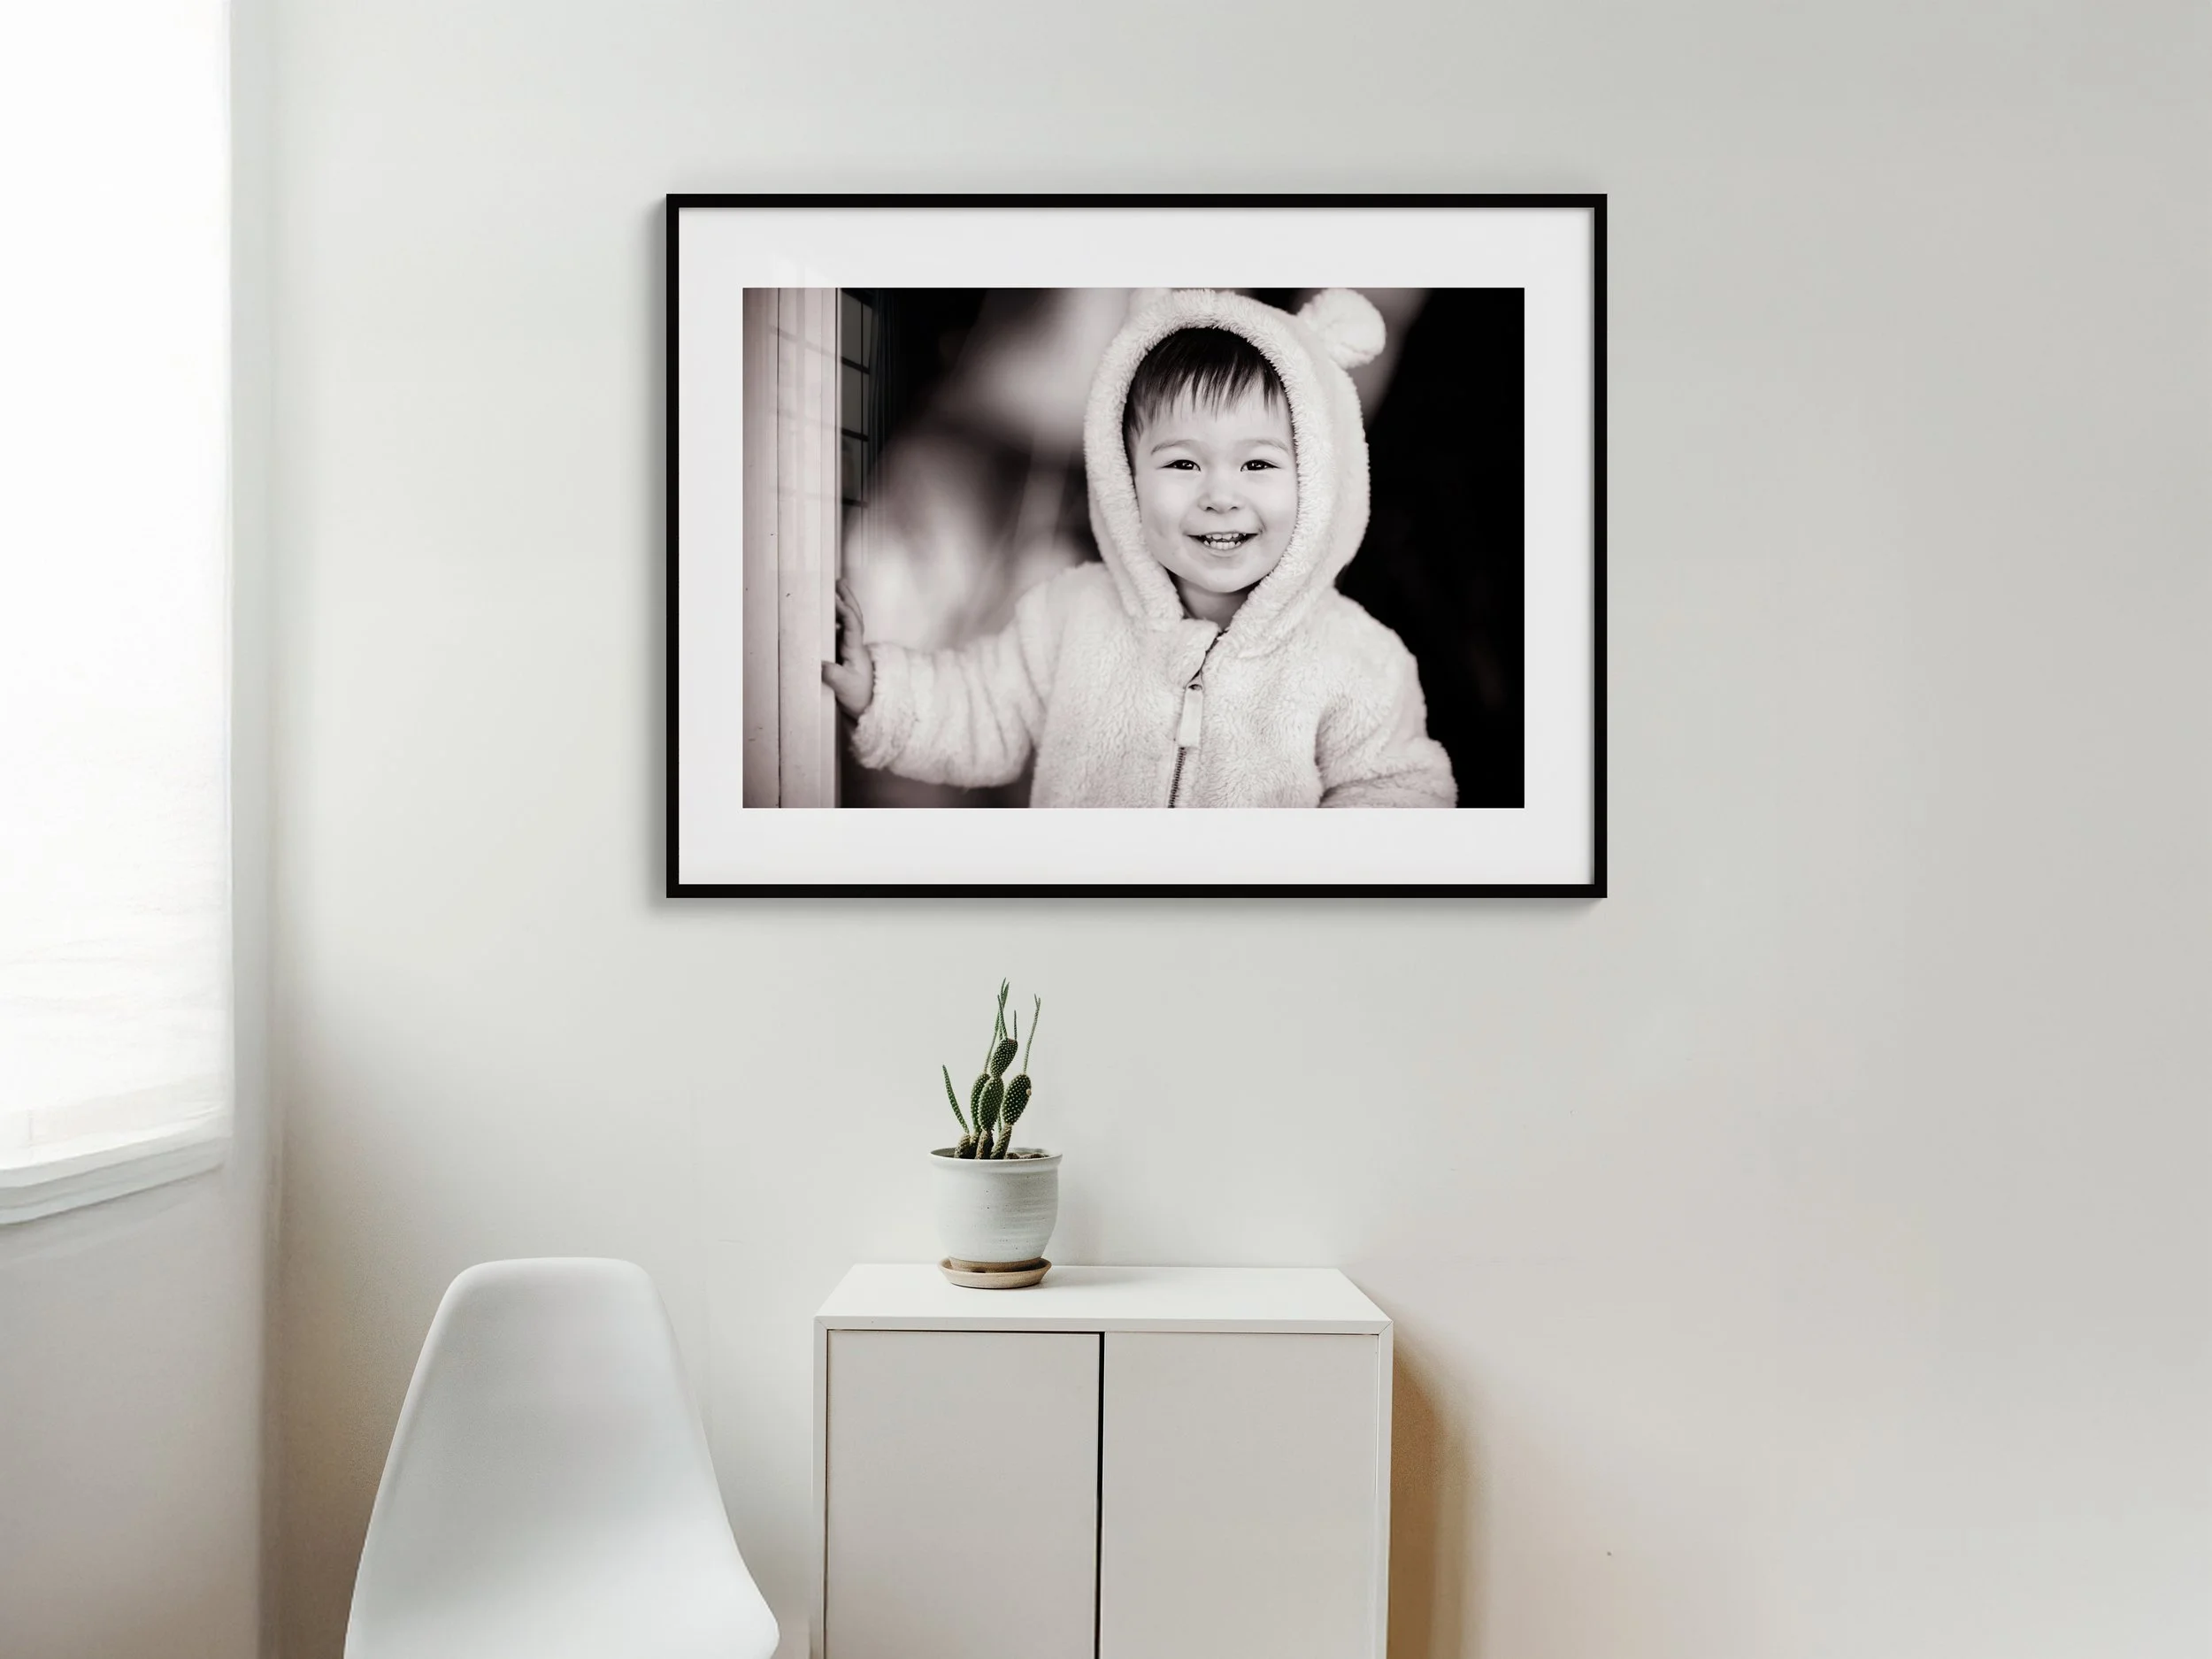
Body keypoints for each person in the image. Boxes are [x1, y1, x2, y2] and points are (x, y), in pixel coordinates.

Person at [821, 288, 1456, 807]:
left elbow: (1398, 791)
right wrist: (880, 692)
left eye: (1259, 465)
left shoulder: (1357, 658)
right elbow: (981, 705)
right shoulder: (1072, 614)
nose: (1220, 496)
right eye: (1183, 465)